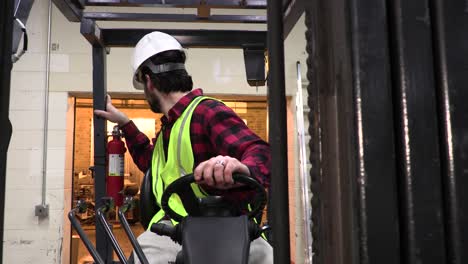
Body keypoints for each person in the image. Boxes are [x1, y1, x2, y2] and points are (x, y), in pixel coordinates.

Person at [94, 31, 273, 264]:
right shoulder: (169, 128)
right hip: (175, 228)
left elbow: (261, 153)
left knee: (268, 257)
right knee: (143, 257)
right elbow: (150, 162)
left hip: (224, 225)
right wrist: (125, 123)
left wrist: (241, 168)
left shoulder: (207, 112)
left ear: (148, 80)